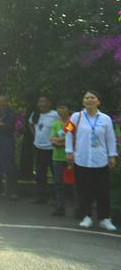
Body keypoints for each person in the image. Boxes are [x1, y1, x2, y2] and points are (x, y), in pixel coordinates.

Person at [65, 91, 118, 231]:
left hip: (100, 161)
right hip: (81, 160)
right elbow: (68, 133)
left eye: (92, 98)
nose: (89, 100)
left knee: (102, 191)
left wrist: (112, 155)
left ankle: (105, 219)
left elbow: (110, 138)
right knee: (83, 190)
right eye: (86, 98)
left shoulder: (105, 119)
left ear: (98, 101)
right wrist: (69, 151)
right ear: (83, 102)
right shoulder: (76, 117)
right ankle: (86, 217)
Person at [28, 96, 59, 204]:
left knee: (56, 174)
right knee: (40, 174)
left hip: (52, 148)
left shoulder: (55, 114)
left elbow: (64, 125)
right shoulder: (35, 114)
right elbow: (30, 123)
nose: (41, 104)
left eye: (44, 101)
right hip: (39, 148)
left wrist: (58, 138)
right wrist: (35, 134)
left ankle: (57, 198)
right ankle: (41, 197)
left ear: (50, 103)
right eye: (39, 101)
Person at [49, 101, 76, 217]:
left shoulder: (72, 123)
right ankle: (60, 207)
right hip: (57, 158)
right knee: (58, 183)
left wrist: (60, 141)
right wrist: (62, 141)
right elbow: (52, 139)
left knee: (73, 184)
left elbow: (72, 138)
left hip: (70, 158)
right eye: (58, 107)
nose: (61, 110)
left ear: (69, 109)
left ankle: (78, 209)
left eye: (63, 107)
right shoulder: (55, 124)